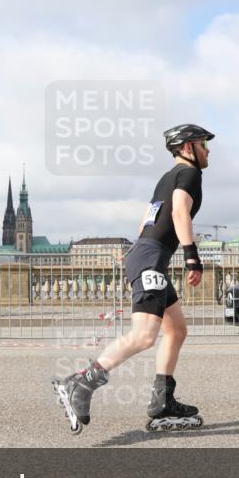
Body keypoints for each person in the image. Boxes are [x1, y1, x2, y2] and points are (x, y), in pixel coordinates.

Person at [53, 123, 215, 433]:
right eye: (203, 144)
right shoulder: (189, 174)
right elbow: (180, 212)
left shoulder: (167, 177)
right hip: (152, 258)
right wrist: (192, 256)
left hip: (148, 255)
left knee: (177, 330)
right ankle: (80, 383)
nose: (208, 150)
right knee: (143, 336)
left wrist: (136, 251)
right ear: (186, 148)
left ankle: (162, 402)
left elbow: (149, 216)